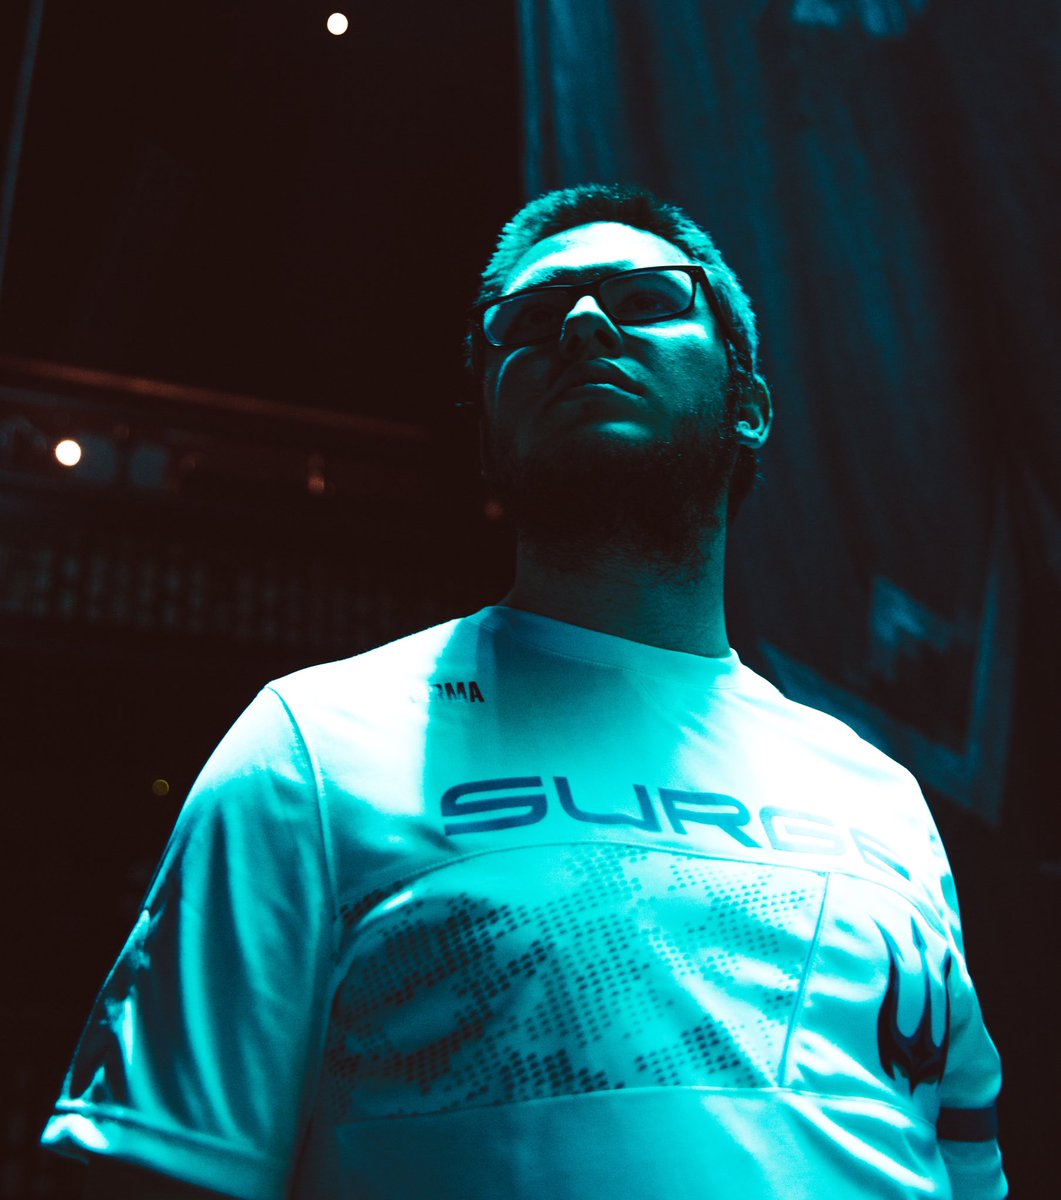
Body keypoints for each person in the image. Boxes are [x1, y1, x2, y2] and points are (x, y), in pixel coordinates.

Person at [42, 183, 1006, 1199]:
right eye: (531, 319)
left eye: (646, 299)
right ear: (491, 433)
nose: (582, 324)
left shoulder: (882, 801)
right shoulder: (310, 752)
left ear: (749, 405)